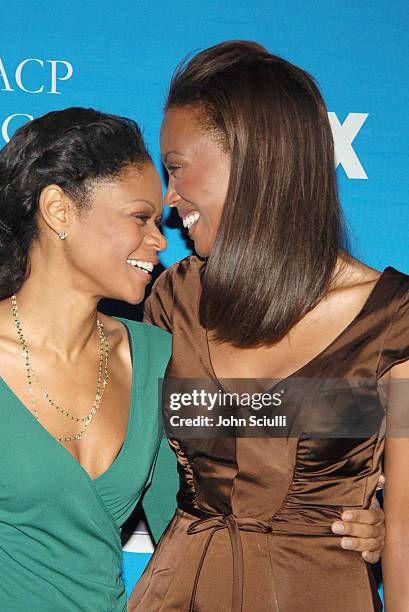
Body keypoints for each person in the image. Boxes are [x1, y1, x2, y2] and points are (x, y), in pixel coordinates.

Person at [129, 41, 404, 611]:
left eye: (176, 168)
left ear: (254, 162)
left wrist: (371, 521)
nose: (169, 196)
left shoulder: (391, 320)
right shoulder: (173, 299)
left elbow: (404, 538)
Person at [0, 107, 177, 611]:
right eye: (141, 217)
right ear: (58, 210)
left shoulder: (157, 357)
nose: (160, 240)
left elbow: (195, 537)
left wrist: (344, 519)